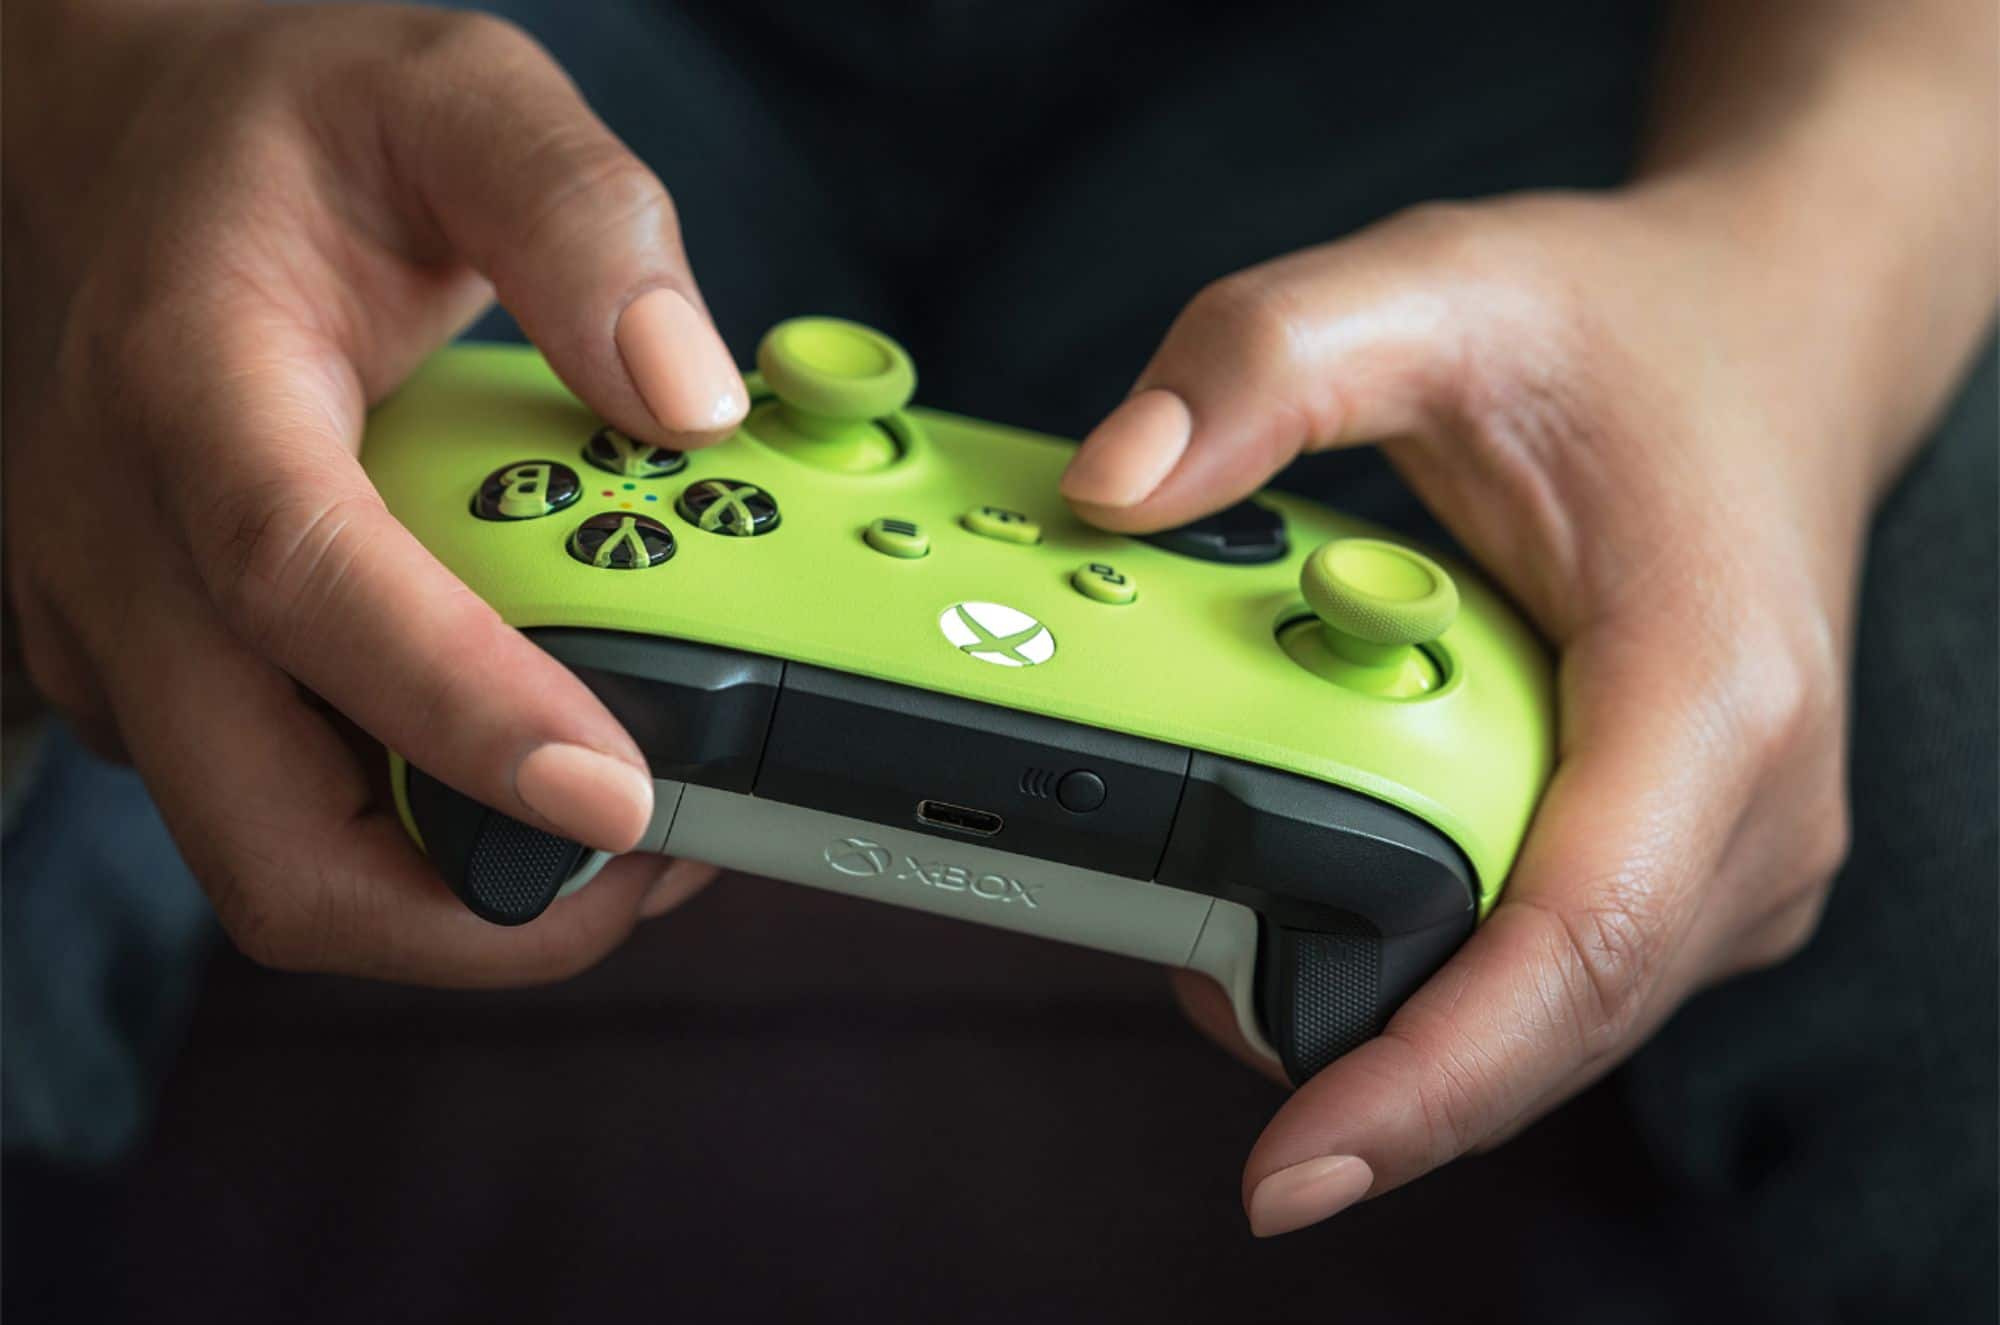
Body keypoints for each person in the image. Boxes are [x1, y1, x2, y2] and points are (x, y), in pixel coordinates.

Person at [4, 0, 1993, 1317]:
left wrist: (1802, 261)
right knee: (190, 486)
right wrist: (97, 71)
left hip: (1511, 59)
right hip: (483, 42)